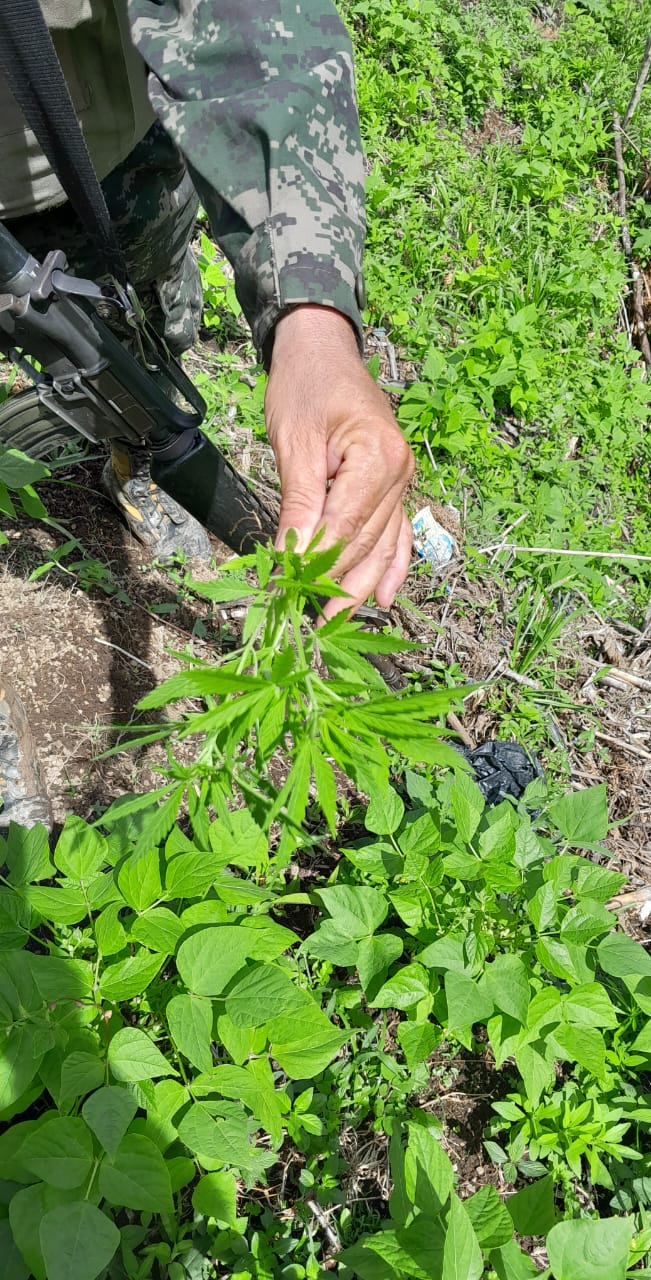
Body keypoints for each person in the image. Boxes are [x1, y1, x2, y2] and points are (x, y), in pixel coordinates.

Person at [0, 0, 415, 830]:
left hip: (87, 150)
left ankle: (135, 460)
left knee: (143, 346)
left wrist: (314, 318)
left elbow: (260, 25)